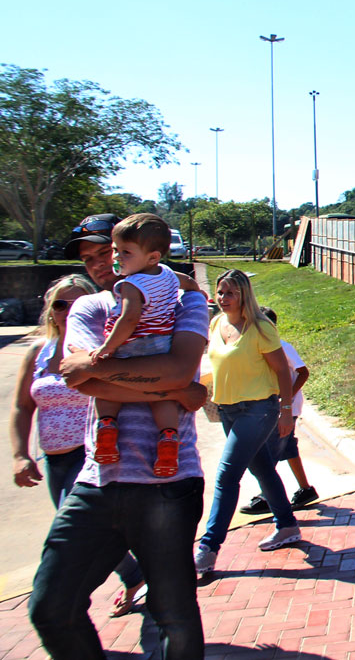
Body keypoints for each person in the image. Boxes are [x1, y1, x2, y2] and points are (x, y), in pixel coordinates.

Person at [29, 213, 209, 659]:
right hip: (98, 481)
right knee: (51, 606)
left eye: (107, 251)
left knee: (173, 615)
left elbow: (179, 369)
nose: (99, 263)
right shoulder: (89, 309)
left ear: (141, 251)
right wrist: (170, 388)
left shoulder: (185, 301)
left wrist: (111, 373)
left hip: (167, 483)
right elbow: (77, 378)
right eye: (89, 257)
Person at [10, 274, 149, 619]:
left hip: (91, 455)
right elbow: (22, 407)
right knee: (88, 530)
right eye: (59, 304)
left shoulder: (103, 350)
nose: (66, 311)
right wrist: (20, 454)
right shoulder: (38, 352)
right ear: (50, 309)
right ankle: (135, 575)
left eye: (75, 303)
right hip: (55, 461)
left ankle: (66, 608)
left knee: (72, 537)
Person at [194, 269, 301, 576]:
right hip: (227, 409)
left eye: (231, 293)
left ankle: (208, 548)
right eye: (220, 292)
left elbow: (283, 371)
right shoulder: (217, 324)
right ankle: (287, 525)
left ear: (244, 295)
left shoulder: (261, 327)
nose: (223, 298)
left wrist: (285, 410)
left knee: (227, 476)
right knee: (262, 468)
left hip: (258, 409)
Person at [91, 213, 199, 477]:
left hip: (132, 345)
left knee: (109, 390)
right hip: (162, 344)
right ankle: (168, 439)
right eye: (115, 250)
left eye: (125, 252)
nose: (116, 257)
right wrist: (198, 291)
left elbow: (129, 320)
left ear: (152, 257)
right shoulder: (168, 275)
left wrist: (107, 348)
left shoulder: (130, 284)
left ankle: (106, 427)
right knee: (162, 397)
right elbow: (188, 282)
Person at [240, 307, 317, 514]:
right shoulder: (261, 348)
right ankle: (306, 489)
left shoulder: (282, 347)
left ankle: (267, 495)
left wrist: (287, 396)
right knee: (287, 447)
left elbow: (303, 372)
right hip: (274, 406)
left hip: (285, 408)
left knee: (269, 451)